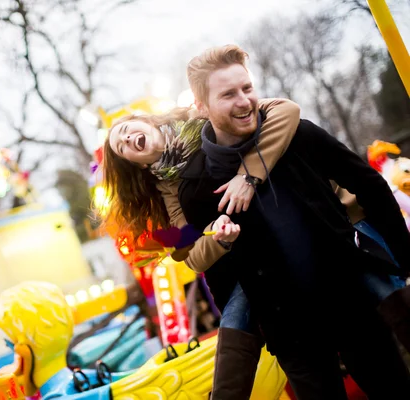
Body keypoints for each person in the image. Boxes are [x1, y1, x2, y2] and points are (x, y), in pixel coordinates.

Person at [101, 45, 410, 399]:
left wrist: (403, 255)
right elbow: (201, 263)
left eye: (247, 89)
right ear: (203, 108)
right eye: (229, 94)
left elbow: (364, 180)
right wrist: (217, 240)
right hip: (291, 330)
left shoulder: (293, 134)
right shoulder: (188, 190)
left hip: (350, 303)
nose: (244, 100)